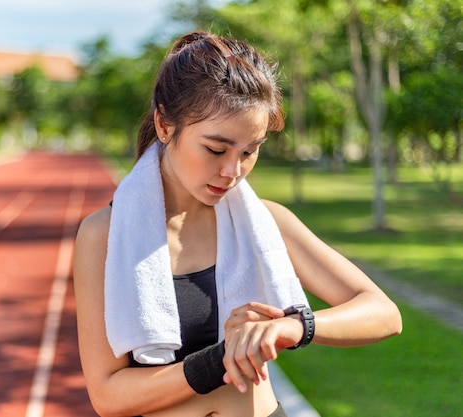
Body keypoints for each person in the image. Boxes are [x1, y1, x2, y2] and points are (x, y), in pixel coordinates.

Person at [73, 31, 402, 417]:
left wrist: (291, 327)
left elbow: (383, 313)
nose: (233, 171)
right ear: (165, 126)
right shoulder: (105, 236)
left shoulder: (268, 221)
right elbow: (109, 396)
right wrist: (221, 358)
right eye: (215, 149)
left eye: (250, 151)